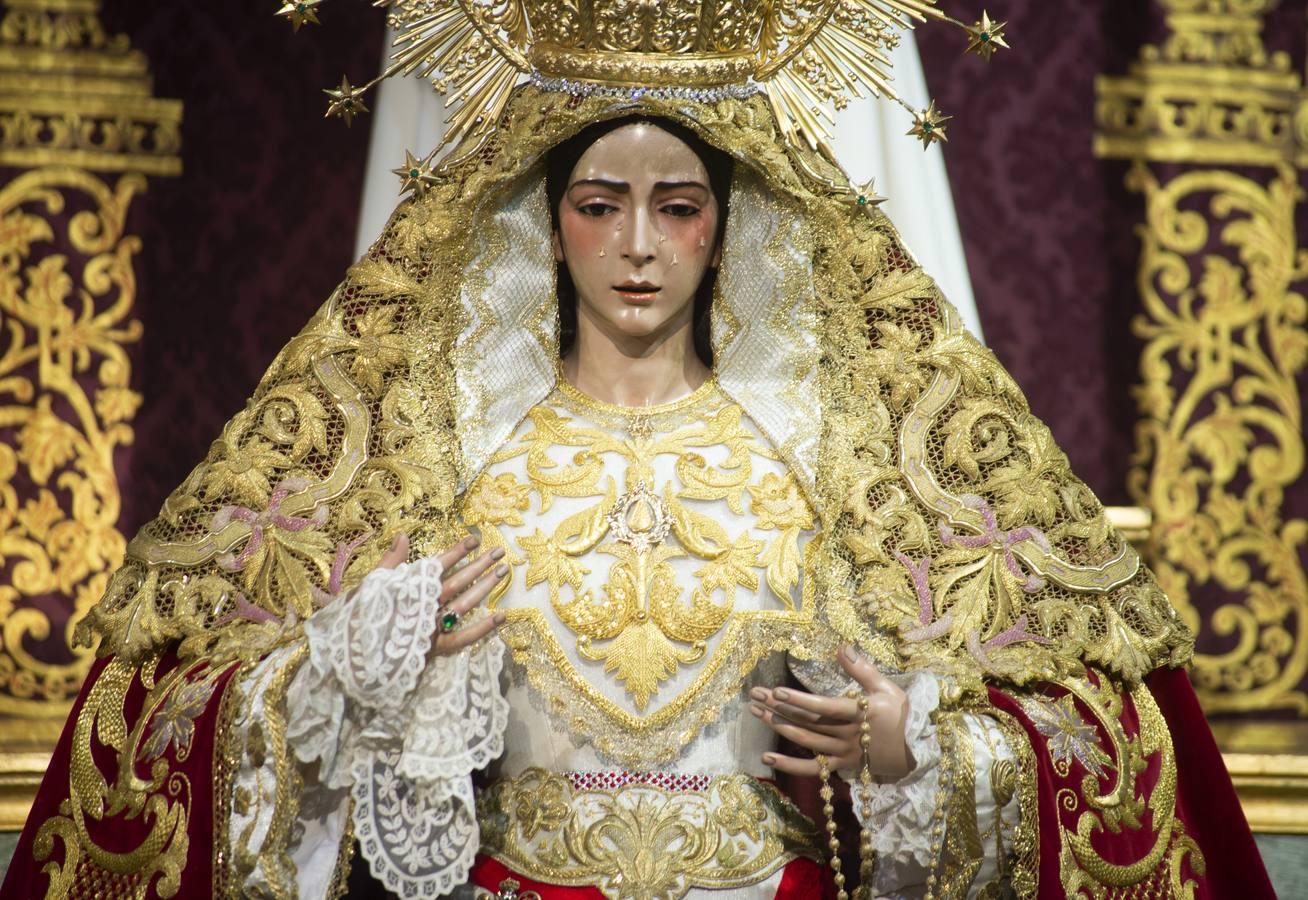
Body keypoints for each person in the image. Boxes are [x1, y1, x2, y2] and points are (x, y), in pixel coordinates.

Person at [2, 4, 1274, 898]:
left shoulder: (823, 458)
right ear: (547, 224)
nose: (639, 248)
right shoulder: (451, 457)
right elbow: (166, 728)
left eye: (677, 207)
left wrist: (916, 749)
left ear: (726, 228)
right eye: (600, 206)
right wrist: (350, 671)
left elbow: (1104, 748)